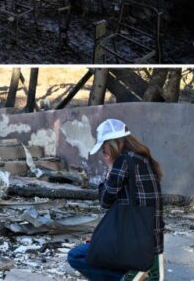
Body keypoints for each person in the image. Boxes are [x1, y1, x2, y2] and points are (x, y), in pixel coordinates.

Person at [67, 119, 165, 281]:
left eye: (103, 149)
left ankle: (128, 277)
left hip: (135, 243)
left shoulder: (122, 161)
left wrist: (110, 168)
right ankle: (138, 274)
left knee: (76, 256)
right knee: (94, 245)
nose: (103, 153)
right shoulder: (143, 158)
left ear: (111, 145)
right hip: (150, 240)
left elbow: (105, 201)